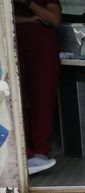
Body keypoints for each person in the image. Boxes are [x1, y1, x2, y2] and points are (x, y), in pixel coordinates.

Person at [13, 0, 62, 175]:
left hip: (42, 48)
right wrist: (27, 19)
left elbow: (54, 19)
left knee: (42, 99)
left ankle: (40, 151)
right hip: (12, 44)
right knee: (15, 98)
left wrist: (28, 3)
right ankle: (22, 150)